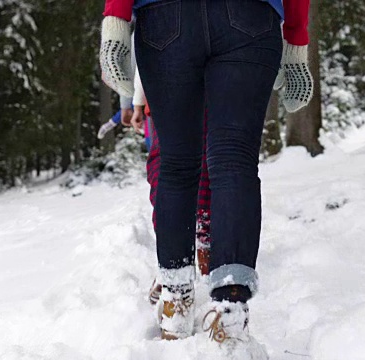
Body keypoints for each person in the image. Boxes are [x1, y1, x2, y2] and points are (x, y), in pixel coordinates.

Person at [100, 0, 313, 348]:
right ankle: (229, 311)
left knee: (176, 163)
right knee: (235, 161)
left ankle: (177, 299)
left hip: (166, 19)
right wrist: (296, 38)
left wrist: (116, 18)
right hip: (250, 19)